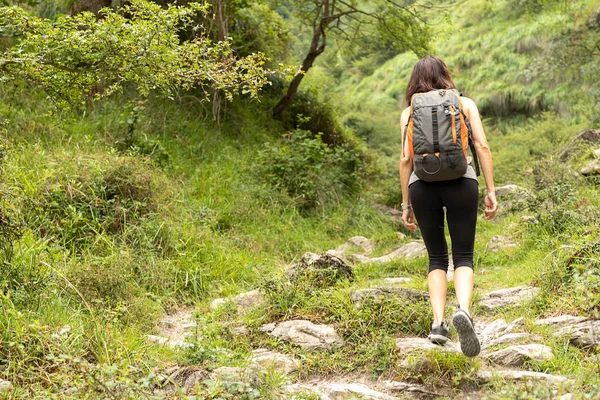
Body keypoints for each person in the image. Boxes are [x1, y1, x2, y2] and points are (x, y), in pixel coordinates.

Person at [399, 56, 498, 357]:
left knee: (436, 257)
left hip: (422, 185)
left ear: (415, 80)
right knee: (464, 254)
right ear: (445, 75)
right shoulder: (464, 103)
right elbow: (481, 146)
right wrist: (491, 191)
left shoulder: (409, 111)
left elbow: (406, 159)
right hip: (462, 181)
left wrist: (405, 204)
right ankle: (464, 311)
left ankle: (438, 324)